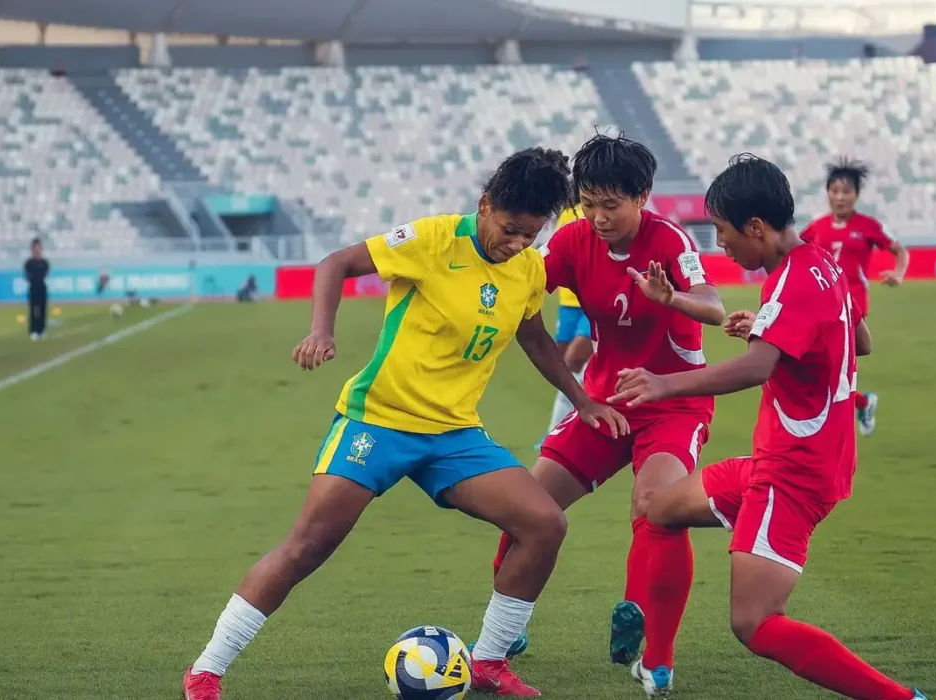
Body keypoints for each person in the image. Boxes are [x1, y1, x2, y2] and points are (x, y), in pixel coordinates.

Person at [181, 148, 628, 700]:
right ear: (485, 205)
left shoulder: (528, 269)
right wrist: (322, 329)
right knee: (308, 546)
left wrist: (581, 400)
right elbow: (335, 263)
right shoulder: (433, 240)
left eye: (530, 235)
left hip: (454, 434)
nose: (516, 244)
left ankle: (489, 661)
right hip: (379, 421)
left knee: (543, 523)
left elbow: (533, 337)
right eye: (510, 230)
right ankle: (206, 671)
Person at [612, 154, 926, 700]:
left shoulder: (794, 280)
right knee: (658, 509)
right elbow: (859, 340)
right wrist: (771, 327)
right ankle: (657, 665)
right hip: (788, 461)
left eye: (724, 231)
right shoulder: (820, 262)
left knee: (754, 623)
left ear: (756, 226)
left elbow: (758, 368)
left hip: (793, 473)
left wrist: (664, 385)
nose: (720, 245)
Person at [472, 134, 726, 698]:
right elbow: (519, 283)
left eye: (611, 204)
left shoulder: (671, 240)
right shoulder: (571, 240)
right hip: (605, 400)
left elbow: (712, 306)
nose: (599, 216)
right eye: (588, 203)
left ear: (642, 196)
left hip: (672, 402)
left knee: (656, 508)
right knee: (527, 508)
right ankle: (506, 632)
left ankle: (655, 658)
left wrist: (672, 300)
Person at [800, 158, 908, 437]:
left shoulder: (868, 226)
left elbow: (899, 251)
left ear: (856, 195)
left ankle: (834, 419)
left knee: (834, 364)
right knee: (821, 364)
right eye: (834, 190)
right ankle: (861, 402)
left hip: (853, 305)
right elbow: (795, 254)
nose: (839, 197)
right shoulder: (816, 227)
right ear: (827, 193)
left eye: (846, 191)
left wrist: (898, 273)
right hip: (819, 304)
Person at [536, 204, 595, 447]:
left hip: (591, 303)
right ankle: (563, 427)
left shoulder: (599, 214)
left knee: (573, 361)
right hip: (568, 302)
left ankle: (557, 433)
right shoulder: (569, 212)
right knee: (562, 365)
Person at [23, 238, 50, 340]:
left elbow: (45, 274)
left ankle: (41, 330)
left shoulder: (44, 263)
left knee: (42, 310)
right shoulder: (29, 263)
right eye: (35, 247)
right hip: (33, 287)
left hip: (42, 288)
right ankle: (33, 331)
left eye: (39, 247)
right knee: (33, 310)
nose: (37, 249)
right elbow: (26, 275)